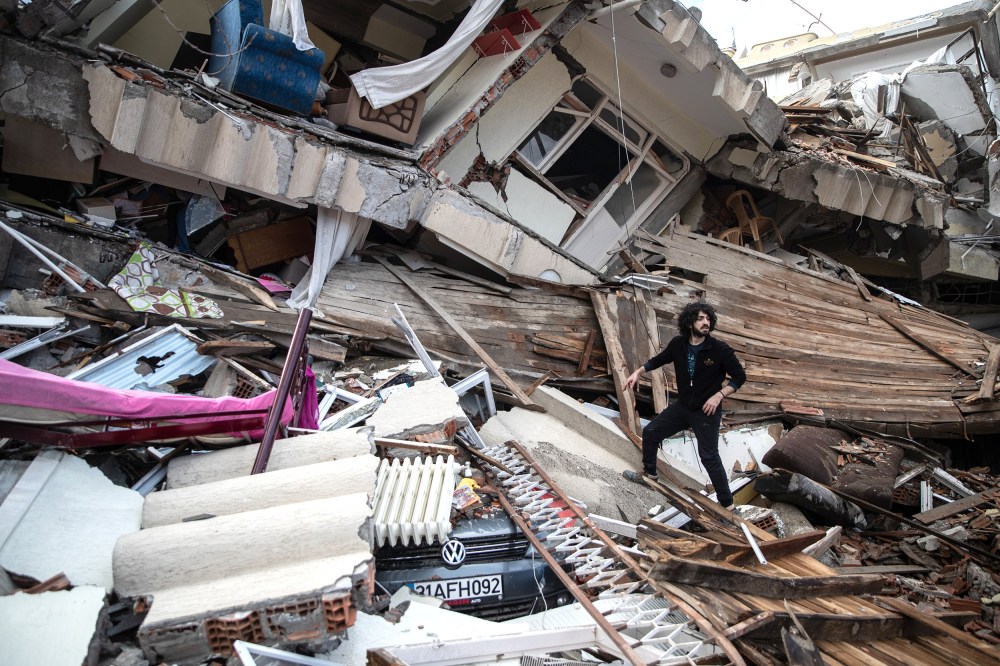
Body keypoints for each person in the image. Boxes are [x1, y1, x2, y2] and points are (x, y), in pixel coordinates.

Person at [622, 301, 746, 508]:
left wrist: (718, 396)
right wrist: (637, 372)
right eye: (700, 318)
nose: (705, 322)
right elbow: (659, 360)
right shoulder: (678, 344)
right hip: (683, 407)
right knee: (651, 432)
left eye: (708, 318)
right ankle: (650, 476)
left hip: (706, 411)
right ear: (690, 323)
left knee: (709, 457)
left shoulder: (719, 349)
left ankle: (728, 506)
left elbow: (740, 377)